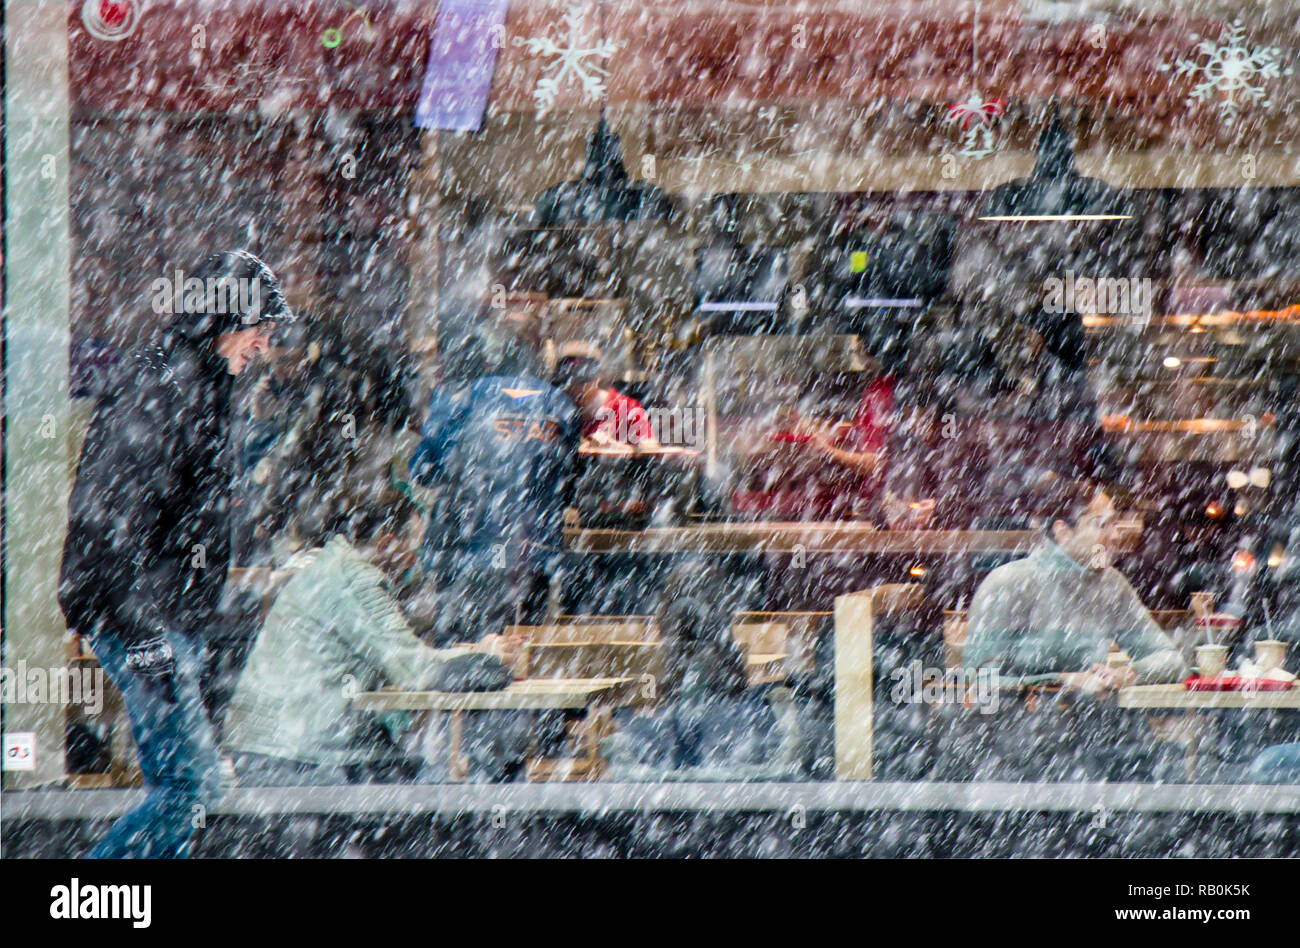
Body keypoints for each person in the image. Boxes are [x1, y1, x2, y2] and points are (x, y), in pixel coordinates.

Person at [59, 250, 296, 858]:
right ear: (227, 318)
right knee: (185, 790)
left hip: (161, 616)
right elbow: (112, 519)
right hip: (139, 616)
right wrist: (145, 636)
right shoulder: (164, 386)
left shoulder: (202, 383)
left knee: (194, 788)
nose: (264, 346)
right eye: (261, 330)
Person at [223, 494, 512, 786]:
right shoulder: (355, 581)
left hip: (268, 746)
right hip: (292, 755)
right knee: (421, 793)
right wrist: (487, 660)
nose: (416, 559)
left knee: (405, 770)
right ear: (387, 544)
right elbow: (418, 670)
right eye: (414, 546)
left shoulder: (332, 566)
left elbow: (397, 659)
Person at [411, 310, 580, 647]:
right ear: (538, 351)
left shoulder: (464, 398)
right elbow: (568, 477)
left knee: (464, 661)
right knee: (521, 658)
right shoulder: (559, 404)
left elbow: (424, 469)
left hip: (471, 555)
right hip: (532, 556)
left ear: (495, 352)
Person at [962, 482, 1187, 687]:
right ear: (1063, 532)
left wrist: (1129, 674)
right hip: (1020, 726)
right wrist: (1061, 682)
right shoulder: (1010, 582)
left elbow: (1172, 661)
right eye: (1102, 525)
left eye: (1115, 524)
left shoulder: (1111, 583)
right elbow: (976, 681)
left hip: (1097, 725)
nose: (1116, 536)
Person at [553, 341, 658, 448]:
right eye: (569, 380)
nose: (576, 388)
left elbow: (652, 448)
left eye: (583, 379)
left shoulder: (624, 407)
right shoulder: (558, 410)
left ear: (598, 376)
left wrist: (616, 447)